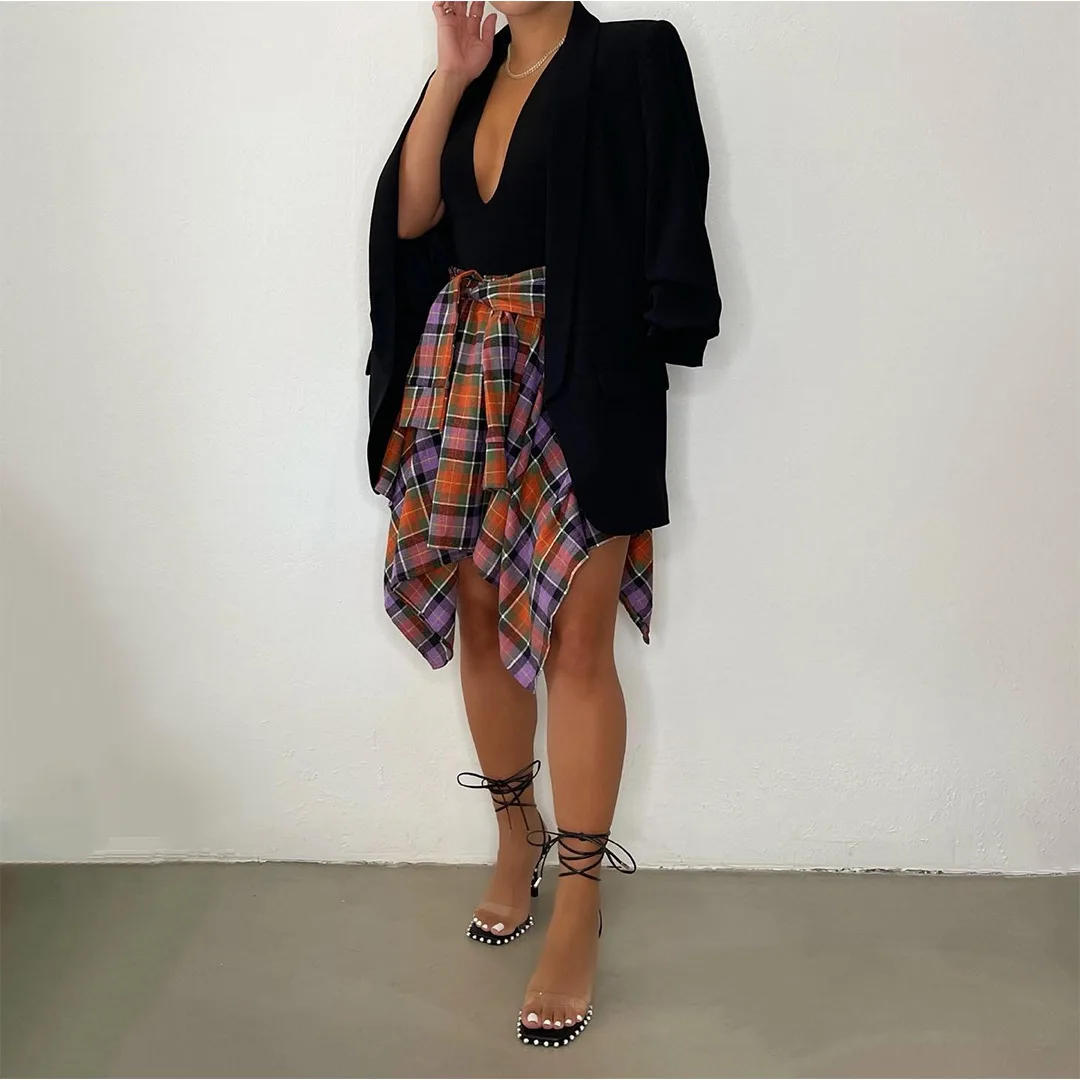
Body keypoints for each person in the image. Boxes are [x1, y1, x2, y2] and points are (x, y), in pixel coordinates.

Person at [365, 0, 720, 1048]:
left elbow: (673, 201)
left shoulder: (635, 55)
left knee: (576, 640)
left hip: (581, 373)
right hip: (465, 366)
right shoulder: (472, 73)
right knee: (481, 618)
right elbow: (413, 218)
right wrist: (449, 72)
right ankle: (516, 828)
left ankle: (578, 898)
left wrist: (655, 348)